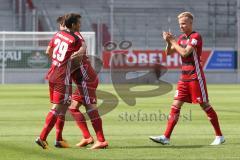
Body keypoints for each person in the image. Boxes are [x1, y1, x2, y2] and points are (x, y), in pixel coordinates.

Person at [149, 12, 225, 145]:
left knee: (204, 104)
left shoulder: (196, 36)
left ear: (191, 23)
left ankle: (219, 136)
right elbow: (169, 53)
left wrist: (172, 41)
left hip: (196, 77)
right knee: (175, 105)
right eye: (180, 24)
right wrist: (168, 42)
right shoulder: (181, 38)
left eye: (184, 23)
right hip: (184, 79)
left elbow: (184, 53)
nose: (181, 26)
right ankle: (166, 137)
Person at [35, 13, 82, 149]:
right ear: (73, 25)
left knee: (63, 107)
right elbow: (77, 60)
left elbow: (48, 51)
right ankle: (42, 137)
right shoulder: (75, 40)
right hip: (63, 78)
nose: (80, 25)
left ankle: (58, 139)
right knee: (57, 108)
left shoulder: (57, 34)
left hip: (52, 74)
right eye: (78, 23)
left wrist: (57, 62)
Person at [68, 25, 108, 150]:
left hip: (85, 79)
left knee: (90, 107)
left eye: (62, 24)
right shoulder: (70, 36)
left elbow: (80, 52)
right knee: (73, 108)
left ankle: (101, 140)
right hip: (82, 79)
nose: (60, 27)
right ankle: (87, 137)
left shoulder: (75, 35)